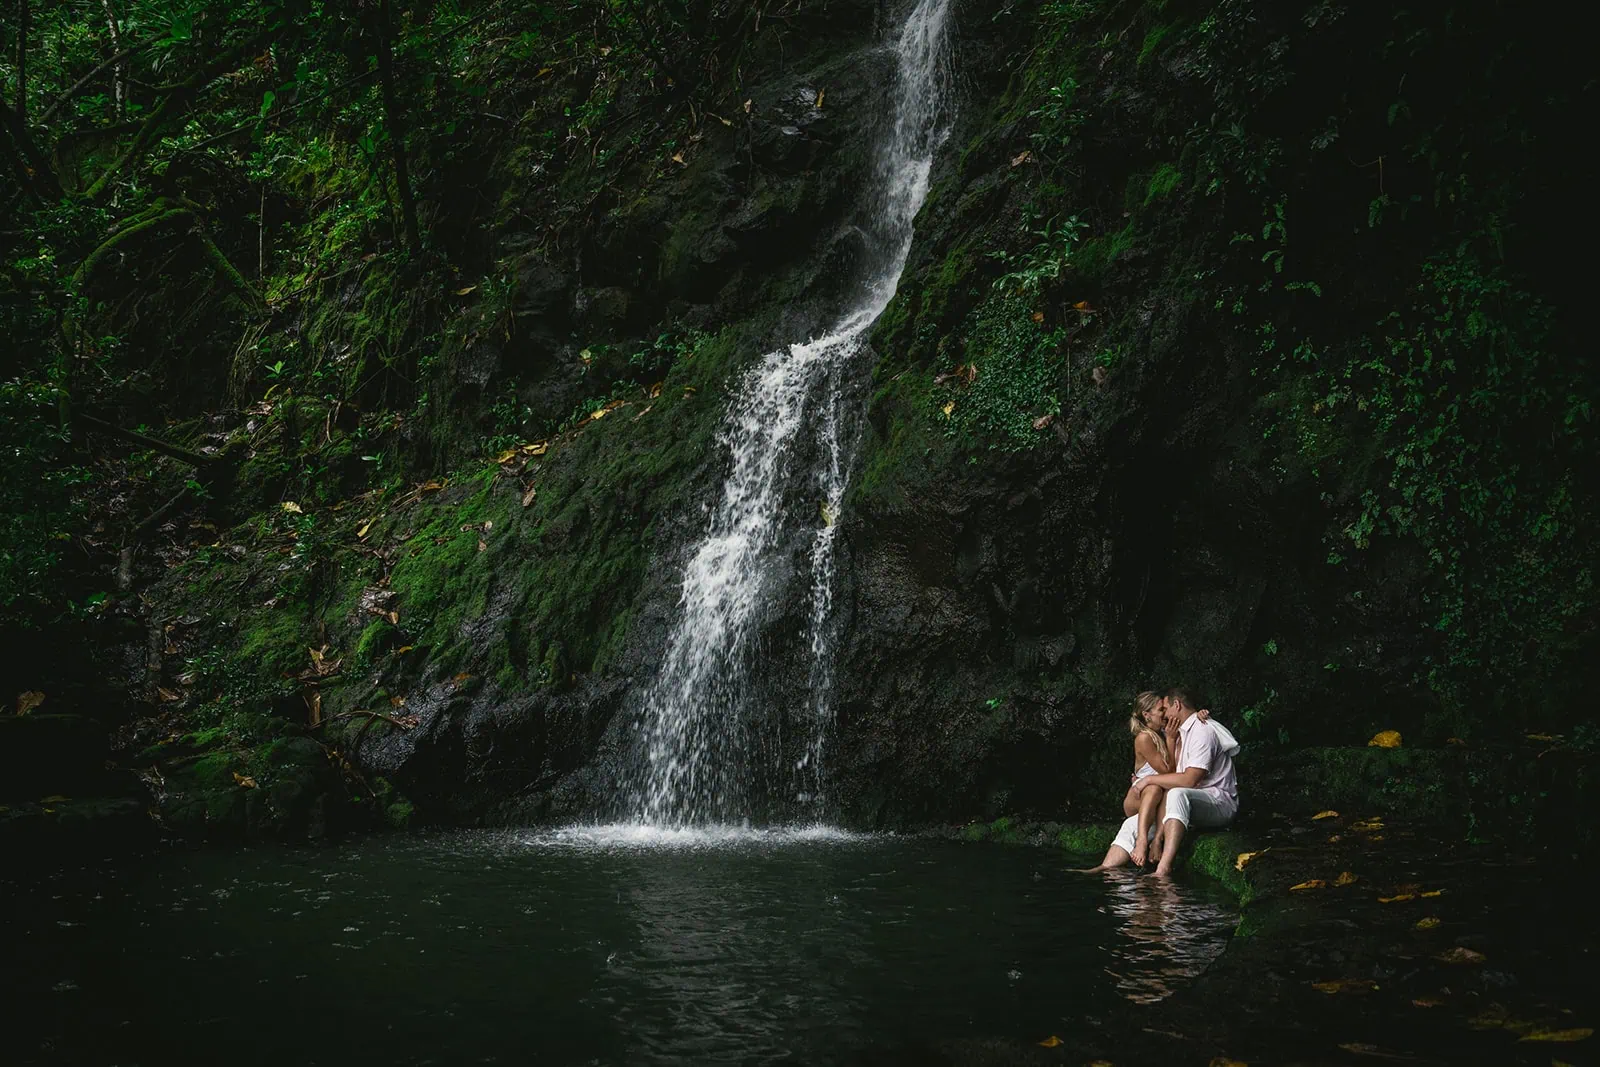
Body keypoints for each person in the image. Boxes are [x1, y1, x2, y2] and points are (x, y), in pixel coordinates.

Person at [1086, 688, 1239, 878]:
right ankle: (1104, 870)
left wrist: (1148, 780)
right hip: (1189, 802)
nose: (1164, 714)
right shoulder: (1176, 734)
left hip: (1218, 802)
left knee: (1176, 793)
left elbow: (1188, 780)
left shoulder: (1202, 730)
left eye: (1165, 708)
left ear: (1177, 705)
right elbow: (1172, 775)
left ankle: (1163, 869)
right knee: (1132, 824)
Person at [1121, 691, 1176, 820]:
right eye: (1161, 709)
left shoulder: (1163, 732)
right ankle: (1142, 839)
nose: (1165, 713)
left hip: (1161, 796)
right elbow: (1167, 771)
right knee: (1154, 789)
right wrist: (1171, 740)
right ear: (1147, 715)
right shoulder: (1144, 738)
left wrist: (1201, 715)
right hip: (1142, 796)